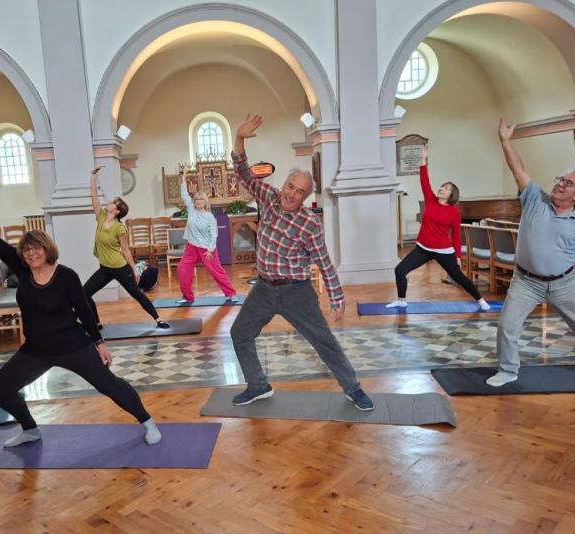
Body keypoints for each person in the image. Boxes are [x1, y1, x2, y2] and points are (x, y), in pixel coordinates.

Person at [0, 184, 163, 447]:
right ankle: (30, 429)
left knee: (109, 385)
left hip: (74, 346)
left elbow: (84, 309)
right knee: (0, 389)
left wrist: (99, 342)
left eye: (37, 248)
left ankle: (148, 422)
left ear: (47, 250)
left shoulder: (66, 275)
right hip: (36, 350)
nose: (31, 253)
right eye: (26, 250)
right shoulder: (23, 272)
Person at [228, 114, 374, 410]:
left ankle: (353, 388)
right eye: (290, 186)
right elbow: (243, 172)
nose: (291, 194)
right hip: (264, 290)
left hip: (297, 293)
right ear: (283, 184)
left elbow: (324, 261)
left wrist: (337, 298)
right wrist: (239, 137)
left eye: (300, 192)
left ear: (306, 197)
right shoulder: (268, 198)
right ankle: (258, 385)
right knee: (239, 333)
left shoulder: (309, 223)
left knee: (324, 341)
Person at [486, 117, 575, 387]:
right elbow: (518, 170)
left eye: (568, 183)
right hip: (526, 281)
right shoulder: (535, 198)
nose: (561, 183)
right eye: (560, 179)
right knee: (507, 326)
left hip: (564, 283)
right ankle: (507, 370)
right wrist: (505, 141)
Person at [387, 144, 491, 311]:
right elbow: (424, 181)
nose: (441, 188)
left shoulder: (453, 212)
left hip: (443, 250)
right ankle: (401, 300)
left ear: (451, 195)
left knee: (459, 277)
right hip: (423, 248)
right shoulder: (430, 200)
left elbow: (457, 235)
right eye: (442, 186)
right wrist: (423, 160)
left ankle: (480, 300)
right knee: (400, 270)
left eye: (446, 188)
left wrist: (457, 255)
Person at [83, 167, 169, 329]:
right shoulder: (101, 216)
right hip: (104, 268)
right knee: (85, 293)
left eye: (113, 203)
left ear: (117, 211)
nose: (110, 203)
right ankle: (97, 323)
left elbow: (125, 249)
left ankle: (158, 319)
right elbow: (94, 196)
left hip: (120, 268)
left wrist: (134, 269)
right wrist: (92, 175)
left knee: (136, 294)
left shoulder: (119, 228)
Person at [175, 164, 237, 304]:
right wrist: (184, 176)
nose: (198, 201)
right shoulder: (191, 209)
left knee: (216, 271)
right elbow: (184, 194)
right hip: (191, 247)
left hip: (206, 249)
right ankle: (187, 297)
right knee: (182, 270)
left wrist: (210, 250)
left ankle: (230, 293)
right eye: (196, 199)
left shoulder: (209, 216)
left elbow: (213, 234)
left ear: (205, 202)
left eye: (201, 199)